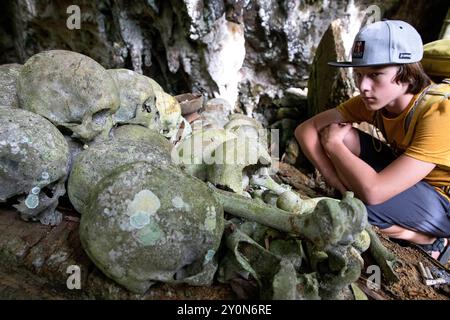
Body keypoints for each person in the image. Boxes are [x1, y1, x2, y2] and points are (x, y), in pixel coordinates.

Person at [295, 20, 450, 264]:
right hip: (408, 177)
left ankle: (428, 238)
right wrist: (334, 180)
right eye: (359, 75)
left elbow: (374, 192)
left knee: (361, 207)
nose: (364, 87)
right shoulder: (377, 100)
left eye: (376, 74)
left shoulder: (440, 113)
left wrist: (334, 148)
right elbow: (306, 130)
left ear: (407, 73)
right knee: (343, 138)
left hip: (443, 200)